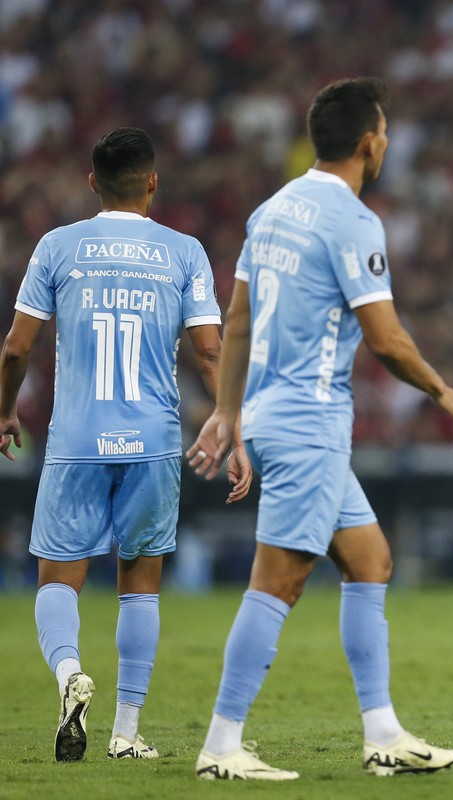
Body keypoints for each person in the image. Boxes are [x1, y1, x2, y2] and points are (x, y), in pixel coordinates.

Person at [186, 77, 453, 781]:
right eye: (385, 133)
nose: (386, 144)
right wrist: (439, 386)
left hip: (273, 416)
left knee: (369, 560)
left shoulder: (273, 210)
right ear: (370, 141)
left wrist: (228, 413)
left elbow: (239, 323)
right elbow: (384, 336)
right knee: (278, 583)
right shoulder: (352, 220)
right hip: (310, 423)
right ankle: (222, 744)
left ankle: (383, 734)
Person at [0, 127, 252, 763]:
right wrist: (229, 423)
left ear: (92, 183)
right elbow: (207, 351)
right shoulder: (183, 251)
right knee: (141, 584)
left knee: (58, 578)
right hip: (152, 441)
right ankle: (125, 732)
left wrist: (3, 411)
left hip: (76, 438)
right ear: (152, 182)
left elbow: (15, 348)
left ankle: (69, 677)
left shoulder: (57, 247)